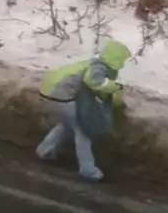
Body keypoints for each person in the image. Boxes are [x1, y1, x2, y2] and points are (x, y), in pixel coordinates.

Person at [35, 39, 131, 181]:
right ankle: (88, 170)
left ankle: (45, 150)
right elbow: (94, 81)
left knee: (68, 124)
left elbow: (96, 89)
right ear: (116, 59)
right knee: (83, 130)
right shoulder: (99, 68)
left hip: (50, 90)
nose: (123, 64)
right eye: (122, 60)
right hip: (61, 93)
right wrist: (115, 87)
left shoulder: (94, 63)